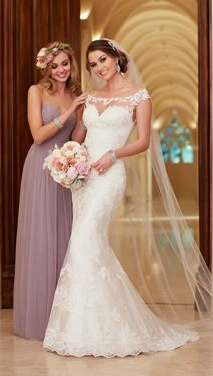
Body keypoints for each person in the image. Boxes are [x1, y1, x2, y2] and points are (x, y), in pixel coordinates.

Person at [43, 39, 213, 357]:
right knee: (86, 245)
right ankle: (80, 328)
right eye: (92, 64)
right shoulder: (91, 97)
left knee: (85, 240)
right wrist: (66, 158)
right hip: (82, 177)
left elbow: (144, 142)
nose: (99, 67)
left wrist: (112, 154)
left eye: (103, 60)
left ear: (117, 59)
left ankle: (104, 328)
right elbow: (80, 135)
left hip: (109, 176)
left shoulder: (139, 97)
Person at [13, 41, 87, 340]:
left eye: (65, 64)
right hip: (40, 168)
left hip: (65, 169)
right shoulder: (36, 91)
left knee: (64, 236)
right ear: (46, 66)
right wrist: (70, 110)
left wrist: (88, 116)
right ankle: (40, 318)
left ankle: (65, 318)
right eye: (54, 65)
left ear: (72, 65)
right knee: (42, 237)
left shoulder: (75, 94)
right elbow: (38, 134)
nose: (60, 70)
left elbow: (77, 136)